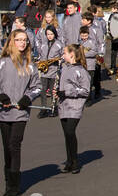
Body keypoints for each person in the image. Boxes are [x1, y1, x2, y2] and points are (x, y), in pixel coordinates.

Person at [0, 29, 43, 196]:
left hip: (20, 112)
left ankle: (14, 185)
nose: (22, 43)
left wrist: (28, 97)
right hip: (4, 111)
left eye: (25, 40)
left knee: (14, 144)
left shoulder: (30, 65)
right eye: (19, 40)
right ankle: (8, 180)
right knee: (7, 148)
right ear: (12, 41)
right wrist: (0, 95)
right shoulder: (1, 62)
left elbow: (37, 87)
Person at [55, 44, 90, 174]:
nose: (63, 55)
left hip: (75, 106)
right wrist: (58, 92)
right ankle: (69, 161)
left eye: (64, 53)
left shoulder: (81, 71)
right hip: (63, 105)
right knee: (66, 135)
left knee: (70, 132)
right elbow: (62, 87)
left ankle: (75, 162)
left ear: (72, 55)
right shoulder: (64, 68)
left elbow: (85, 91)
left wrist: (68, 92)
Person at [37, 25, 64, 118]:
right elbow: (41, 55)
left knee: (53, 91)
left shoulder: (59, 44)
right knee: (43, 90)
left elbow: (63, 57)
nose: (49, 36)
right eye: (48, 34)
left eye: (51, 34)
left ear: (55, 34)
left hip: (54, 71)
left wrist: (58, 61)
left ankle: (53, 108)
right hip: (44, 71)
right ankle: (43, 109)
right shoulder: (43, 44)